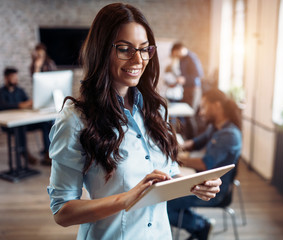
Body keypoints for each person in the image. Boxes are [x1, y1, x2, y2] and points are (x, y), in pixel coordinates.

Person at [46, 3, 222, 240]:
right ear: (100, 50)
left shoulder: (156, 109)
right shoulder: (76, 119)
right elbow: (62, 211)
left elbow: (169, 174)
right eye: (124, 49)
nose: (138, 59)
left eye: (144, 49)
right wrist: (126, 198)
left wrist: (194, 185)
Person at [167, 88, 242, 240]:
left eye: (204, 107)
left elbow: (204, 164)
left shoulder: (229, 135)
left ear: (217, 106)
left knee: (166, 205)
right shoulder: (216, 128)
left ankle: (202, 226)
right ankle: (199, 226)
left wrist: (175, 157)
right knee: (169, 194)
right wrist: (171, 146)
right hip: (204, 182)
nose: (200, 113)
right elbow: (195, 143)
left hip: (216, 192)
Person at [0, 67, 52, 165]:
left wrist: (34, 103)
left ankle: (47, 152)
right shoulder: (1, 92)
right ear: (6, 78)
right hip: (10, 124)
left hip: (24, 120)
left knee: (46, 123)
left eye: (16, 77)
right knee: (20, 127)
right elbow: (2, 106)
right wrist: (19, 105)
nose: (16, 79)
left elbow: (27, 103)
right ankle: (24, 153)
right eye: (13, 77)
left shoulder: (20, 91)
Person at [171, 42, 204, 139]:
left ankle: (192, 141)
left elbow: (199, 74)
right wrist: (176, 82)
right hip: (185, 89)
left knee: (190, 115)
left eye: (176, 53)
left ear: (180, 49)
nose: (176, 56)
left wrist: (184, 79)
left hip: (194, 90)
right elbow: (183, 76)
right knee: (185, 114)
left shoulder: (192, 57)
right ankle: (186, 138)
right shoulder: (181, 60)